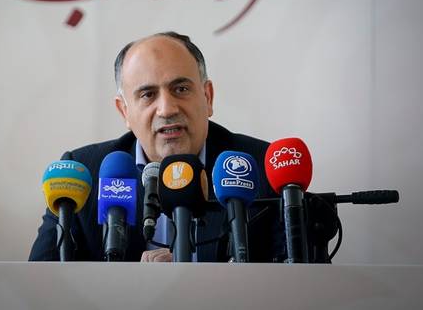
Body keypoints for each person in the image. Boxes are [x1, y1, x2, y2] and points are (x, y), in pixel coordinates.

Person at [28, 32, 286, 262]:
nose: (167, 109)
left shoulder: (264, 168)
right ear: (124, 111)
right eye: (148, 94)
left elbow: (298, 282)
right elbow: (41, 286)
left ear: (207, 97)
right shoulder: (83, 176)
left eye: (181, 89)